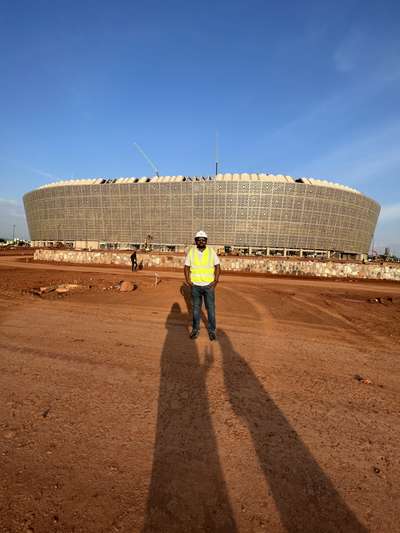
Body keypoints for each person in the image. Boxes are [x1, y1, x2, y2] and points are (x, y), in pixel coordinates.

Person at [184, 230, 220, 341]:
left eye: (203, 239)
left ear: (206, 241)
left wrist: (215, 281)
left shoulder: (211, 251)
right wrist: (188, 280)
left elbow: (217, 266)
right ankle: (195, 330)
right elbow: (186, 267)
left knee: (211, 310)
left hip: (208, 286)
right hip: (195, 286)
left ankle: (212, 331)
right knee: (195, 310)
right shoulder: (191, 252)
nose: (201, 241)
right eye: (199, 239)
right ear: (196, 241)